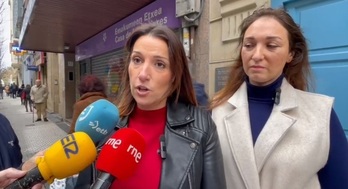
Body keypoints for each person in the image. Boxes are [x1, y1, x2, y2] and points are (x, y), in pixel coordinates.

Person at [210, 7, 348, 189]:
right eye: (249, 45)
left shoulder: (321, 114)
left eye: (271, 45)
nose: (257, 55)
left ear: (291, 54)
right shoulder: (215, 111)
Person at [74, 24, 226, 189]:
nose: (143, 74)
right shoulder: (104, 125)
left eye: (159, 64)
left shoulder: (201, 128)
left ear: (175, 76)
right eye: (137, 60)